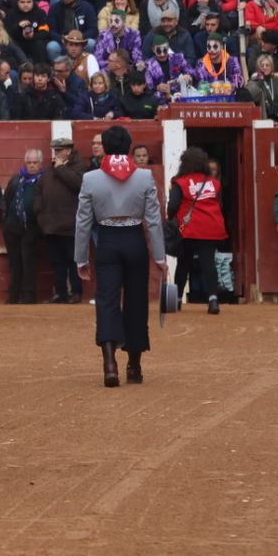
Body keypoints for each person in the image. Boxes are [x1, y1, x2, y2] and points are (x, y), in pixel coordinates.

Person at [74, 124, 164, 387]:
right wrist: (160, 256)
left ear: (104, 147)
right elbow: (155, 221)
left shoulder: (91, 178)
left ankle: (109, 364)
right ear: (128, 147)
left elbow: (82, 222)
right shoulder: (144, 178)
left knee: (106, 300)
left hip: (108, 241)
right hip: (134, 239)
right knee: (136, 301)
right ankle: (134, 365)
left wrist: (80, 258)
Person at [167, 146, 226, 316]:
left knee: (183, 264)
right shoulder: (214, 183)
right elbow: (220, 205)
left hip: (188, 228)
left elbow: (173, 206)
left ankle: (176, 301)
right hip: (211, 227)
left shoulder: (180, 182)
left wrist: (171, 218)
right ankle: (213, 300)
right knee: (208, 263)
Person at [39, 136, 87, 303]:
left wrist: (60, 169)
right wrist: (41, 215)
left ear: (68, 151)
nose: (56, 154)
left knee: (73, 260)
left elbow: (79, 185)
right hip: (51, 224)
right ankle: (60, 292)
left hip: (70, 224)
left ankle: (76, 292)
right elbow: (40, 191)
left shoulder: (79, 167)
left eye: (59, 150)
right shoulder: (49, 170)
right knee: (57, 262)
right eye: (55, 151)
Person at [0, 149, 45, 305]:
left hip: (32, 227)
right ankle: (13, 296)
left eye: (35, 163)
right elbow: (5, 200)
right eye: (29, 162)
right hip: (12, 227)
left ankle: (28, 297)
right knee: (14, 262)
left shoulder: (44, 180)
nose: (31, 166)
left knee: (28, 261)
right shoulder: (17, 179)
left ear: (40, 163)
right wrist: (5, 221)